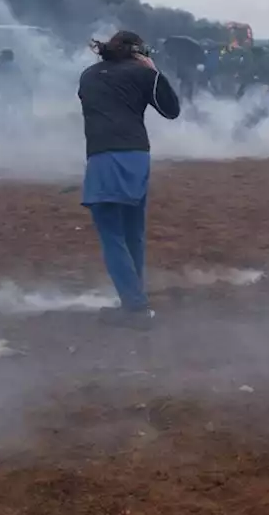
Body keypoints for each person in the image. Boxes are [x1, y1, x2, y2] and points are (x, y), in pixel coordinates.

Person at [77, 31, 180, 329]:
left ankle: (135, 307)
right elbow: (171, 110)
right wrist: (154, 73)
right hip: (137, 155)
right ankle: (134, 300)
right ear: (138, 52)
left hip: (102, 156)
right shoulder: (142, 73)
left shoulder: (88, 75)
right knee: (133, 231)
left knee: (112, 235)